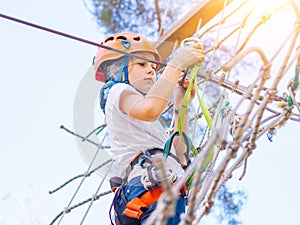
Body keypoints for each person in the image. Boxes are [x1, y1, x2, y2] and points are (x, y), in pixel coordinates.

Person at [94, 32, 204, 225]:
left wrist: (180, 102)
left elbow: (179, 153)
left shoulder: (145, 121)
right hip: (151, 190)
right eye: (142, 64)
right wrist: (176, 65)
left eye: (153, 67)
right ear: (117, 70)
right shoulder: (117, 91)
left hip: (155, 190)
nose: (151, 71)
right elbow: (151, 109)